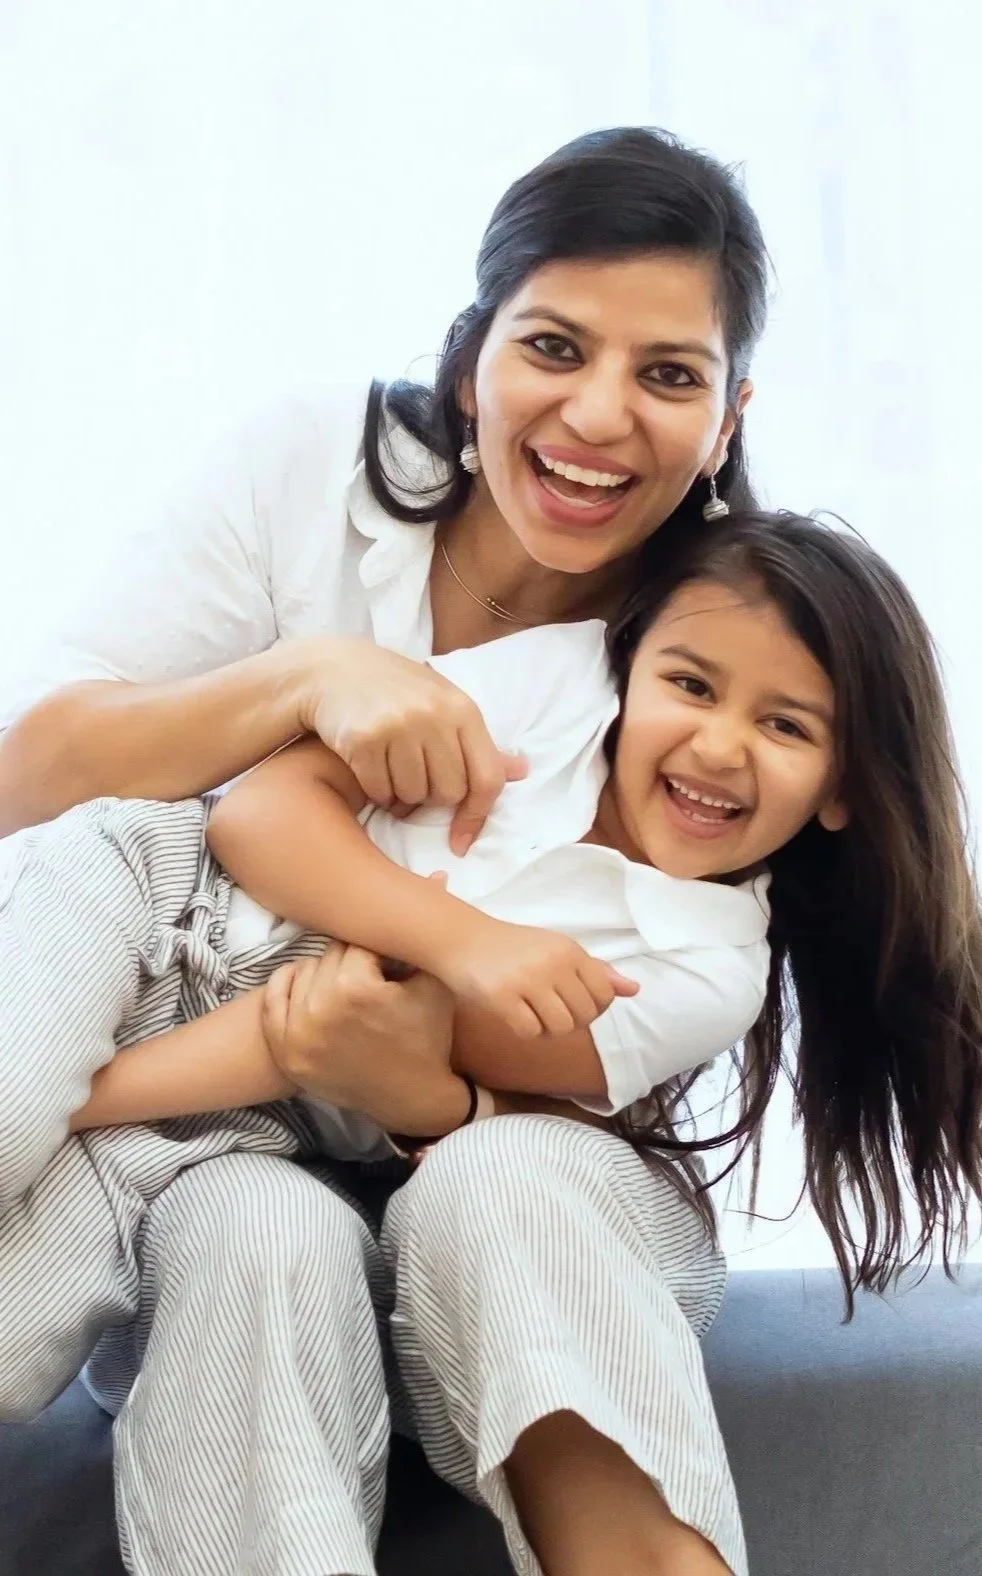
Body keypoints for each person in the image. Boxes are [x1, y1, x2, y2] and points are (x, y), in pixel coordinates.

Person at [0, 124, 783, 1576]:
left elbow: (599, 1039)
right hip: (221, 1150)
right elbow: (27, 786)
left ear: (726, 417)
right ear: (474, 344)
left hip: (499, 1179)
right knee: (255, 1232)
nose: (601, 416)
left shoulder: (722, 653)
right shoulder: (315, 467)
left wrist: (416, 1079)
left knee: (498, 1189)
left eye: (667, 375)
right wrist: (297, 679)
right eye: (554, 345)